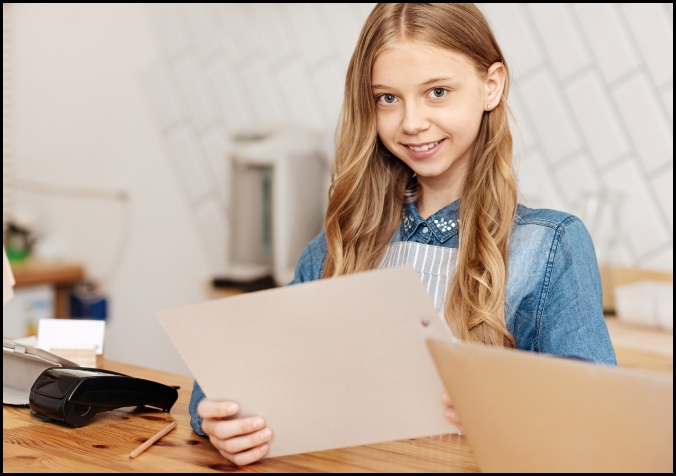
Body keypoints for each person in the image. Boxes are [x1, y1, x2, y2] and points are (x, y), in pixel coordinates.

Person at [189, 3, 616, 466]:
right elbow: (231, 376)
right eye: (387, 98)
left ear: (491, 86)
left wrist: (511, 405)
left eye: (437, 91)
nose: (411, 122)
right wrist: (219, 421)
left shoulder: (551, 246)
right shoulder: (346, 240)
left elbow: (603, 417)